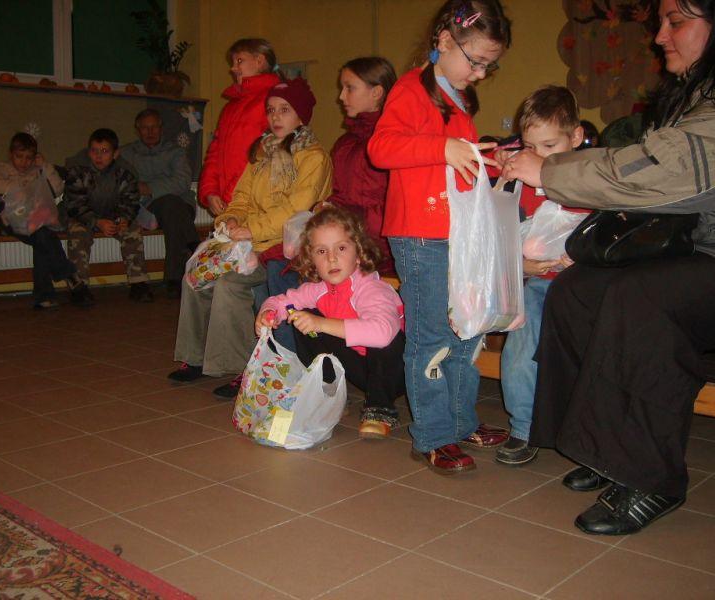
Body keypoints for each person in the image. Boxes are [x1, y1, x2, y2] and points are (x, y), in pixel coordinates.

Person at [499, 0, 715, 534]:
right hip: (699, 247)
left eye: (676, 21)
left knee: (639, 301)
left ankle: (650, 476)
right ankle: (599, 446)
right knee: (577, 289)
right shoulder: (701, 93)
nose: (660, 35)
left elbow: (657, 170)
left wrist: (551, 170)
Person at [367, 0, 512, 475]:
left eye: (489, 66)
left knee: (465, 333)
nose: (481, 74)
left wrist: (492, 164)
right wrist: (443, 147)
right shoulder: (411, 90)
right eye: (477, 61)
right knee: (431, 337)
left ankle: (460, 421)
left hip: (458, 234)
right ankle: (432, 434)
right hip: (420, 236)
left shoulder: (458, 100)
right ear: (445, 41)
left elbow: (456, 166)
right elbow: (381, 148)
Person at [168, 78, 333, 396]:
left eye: (284, 110)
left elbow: (296, 210)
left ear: (301, 115)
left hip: (286, 250)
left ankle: (242, 366)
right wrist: (230, 219)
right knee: (195, 277)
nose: (275, 117)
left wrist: (252, 229)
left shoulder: (314, 158)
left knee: (229, 284)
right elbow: (241, 198)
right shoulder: (263, 155)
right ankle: (195, 357)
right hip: (249, 244)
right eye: (271, 110)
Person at [492, 86, 589, 466]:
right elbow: (505, 232)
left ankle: (586, 430)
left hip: (585, 287)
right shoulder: (523, 178)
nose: (537, 156)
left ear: (576, 137)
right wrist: (521, 263)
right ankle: (523, 427)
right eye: (530, 146)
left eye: (549, 146)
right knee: (520, 350)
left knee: (588, 356)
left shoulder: (590, 174)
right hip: (536, 284)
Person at [257, 207, 405, 438]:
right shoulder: (318, 289)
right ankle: (330, 393)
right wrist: (269, 312)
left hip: (394, 373)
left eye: (341, 248)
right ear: (311, 259)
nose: (332, 258)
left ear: (359, 253)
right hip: (359, 367)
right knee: (300, 313)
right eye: (321, 251)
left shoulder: (372, 289)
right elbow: (283, 301)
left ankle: (380, 409)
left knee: (385, 338)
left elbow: (383, 334)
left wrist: (321, 324)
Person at [0, 133, 85, 309]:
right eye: (19, 156)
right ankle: (67, 274)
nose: (24, 162)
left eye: (29, 157)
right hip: (10, 220)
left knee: (42, 239)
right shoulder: (2, 169)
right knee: (44, 236)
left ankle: (44, 296)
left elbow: (57, 189)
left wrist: (44, 166)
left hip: (37, 219)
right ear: (11, 154)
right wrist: (19, 188)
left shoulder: (38, 170)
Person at [324, 57, 397, 274]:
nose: (341, 96)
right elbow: (340, 195)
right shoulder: (345, 143)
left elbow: (392, 208)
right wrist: (324, 208)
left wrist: (346, 220)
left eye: (350, 88)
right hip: (348, 245)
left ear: (376, 92)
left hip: (383, 253)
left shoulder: (394, 142)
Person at [64, 128, 153, 304]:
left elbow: (131, 201)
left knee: (132, 230)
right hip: (84, 216)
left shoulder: (125, 171)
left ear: (115, 153)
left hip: (113, 215)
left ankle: (139, 282)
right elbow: (75, 205)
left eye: (104, 151)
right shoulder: (77, 170)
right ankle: (78, 287)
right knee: (77, 234)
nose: (99, 156)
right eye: (94, 151)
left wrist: (123, 218)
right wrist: (97, 222)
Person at [197, 38, 282, 217]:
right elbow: (215, 151)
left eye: (239, 61)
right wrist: (210, 191)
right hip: (231, 203)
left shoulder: (274, 101)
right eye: (233, 62)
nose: (233, 68)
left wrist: (231, 195)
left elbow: (263, 156)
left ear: (259, 61)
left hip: (257, 205)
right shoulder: (231, 107)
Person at [120, 108, 199, 298]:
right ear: (137, 129)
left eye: (154, 127)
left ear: (161, 128)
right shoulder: (127, 153)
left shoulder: (175, 151)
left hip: (181, 205)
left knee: (172, 206)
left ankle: (176, 276)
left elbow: (182, 181)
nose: (150, 132)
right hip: (148, 207)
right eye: (145, 128)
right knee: (172, 209)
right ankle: (188, 255)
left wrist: (149, 187)